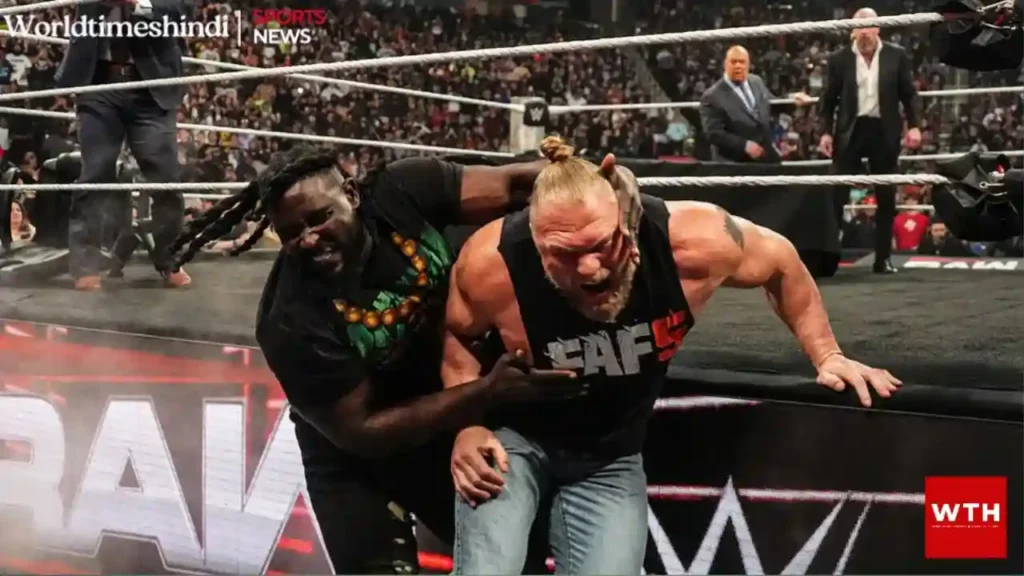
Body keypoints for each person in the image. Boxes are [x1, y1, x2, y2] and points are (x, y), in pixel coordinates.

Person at [168, 145, 638, 574]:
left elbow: (515, 184)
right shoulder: (290, 320)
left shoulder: (401, 191)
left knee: (521, 560)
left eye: (319, 218)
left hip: (439, 410)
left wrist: (594, 187)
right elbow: (363, 431)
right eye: (291, 233)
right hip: (354, 454)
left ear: (352, 193)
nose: (309, 240)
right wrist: (485, 391)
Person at [440, 137, 902, 574]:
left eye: (603, 245)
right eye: (563, 254)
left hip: (609, 454)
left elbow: (781, 261)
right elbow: (458, 338)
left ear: (623, 217)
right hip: (517, 440)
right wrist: (467, 426)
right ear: (536, 240)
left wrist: (828, 354)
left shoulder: (692, 241)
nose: (589, 268)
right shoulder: (492, 264)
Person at [55, 0, 191, 290]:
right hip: (98, 81)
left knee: (165, 177)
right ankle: (85, 265)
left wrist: (137, 2)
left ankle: (171, 259)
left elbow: (183, 10)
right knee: (95, 172)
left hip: (150, 87)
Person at [818, 7, 922, 274]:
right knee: (836, 194)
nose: (864, 33)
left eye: (869, 27)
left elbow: (909, 94)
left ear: (879, 28)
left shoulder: (896, 56)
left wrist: (915, 126)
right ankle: (828, 257)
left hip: (883, 129)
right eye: (859, 28)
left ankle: (883, 259)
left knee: (886, 194)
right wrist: (826, 132)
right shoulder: (839, 59)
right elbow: (828, 100)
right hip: (850, 130)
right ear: (852, 31)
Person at [699, 45, 813, 163]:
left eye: (742, 62)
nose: (738, 66)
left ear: (748, 65)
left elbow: (771, 104)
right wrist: (744, 145)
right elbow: (714, 133)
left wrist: (792, 98)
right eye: (733, 62)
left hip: (764, 152)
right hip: (735, 160)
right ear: (725, 64)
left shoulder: (756, 81)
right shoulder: (712, 96)